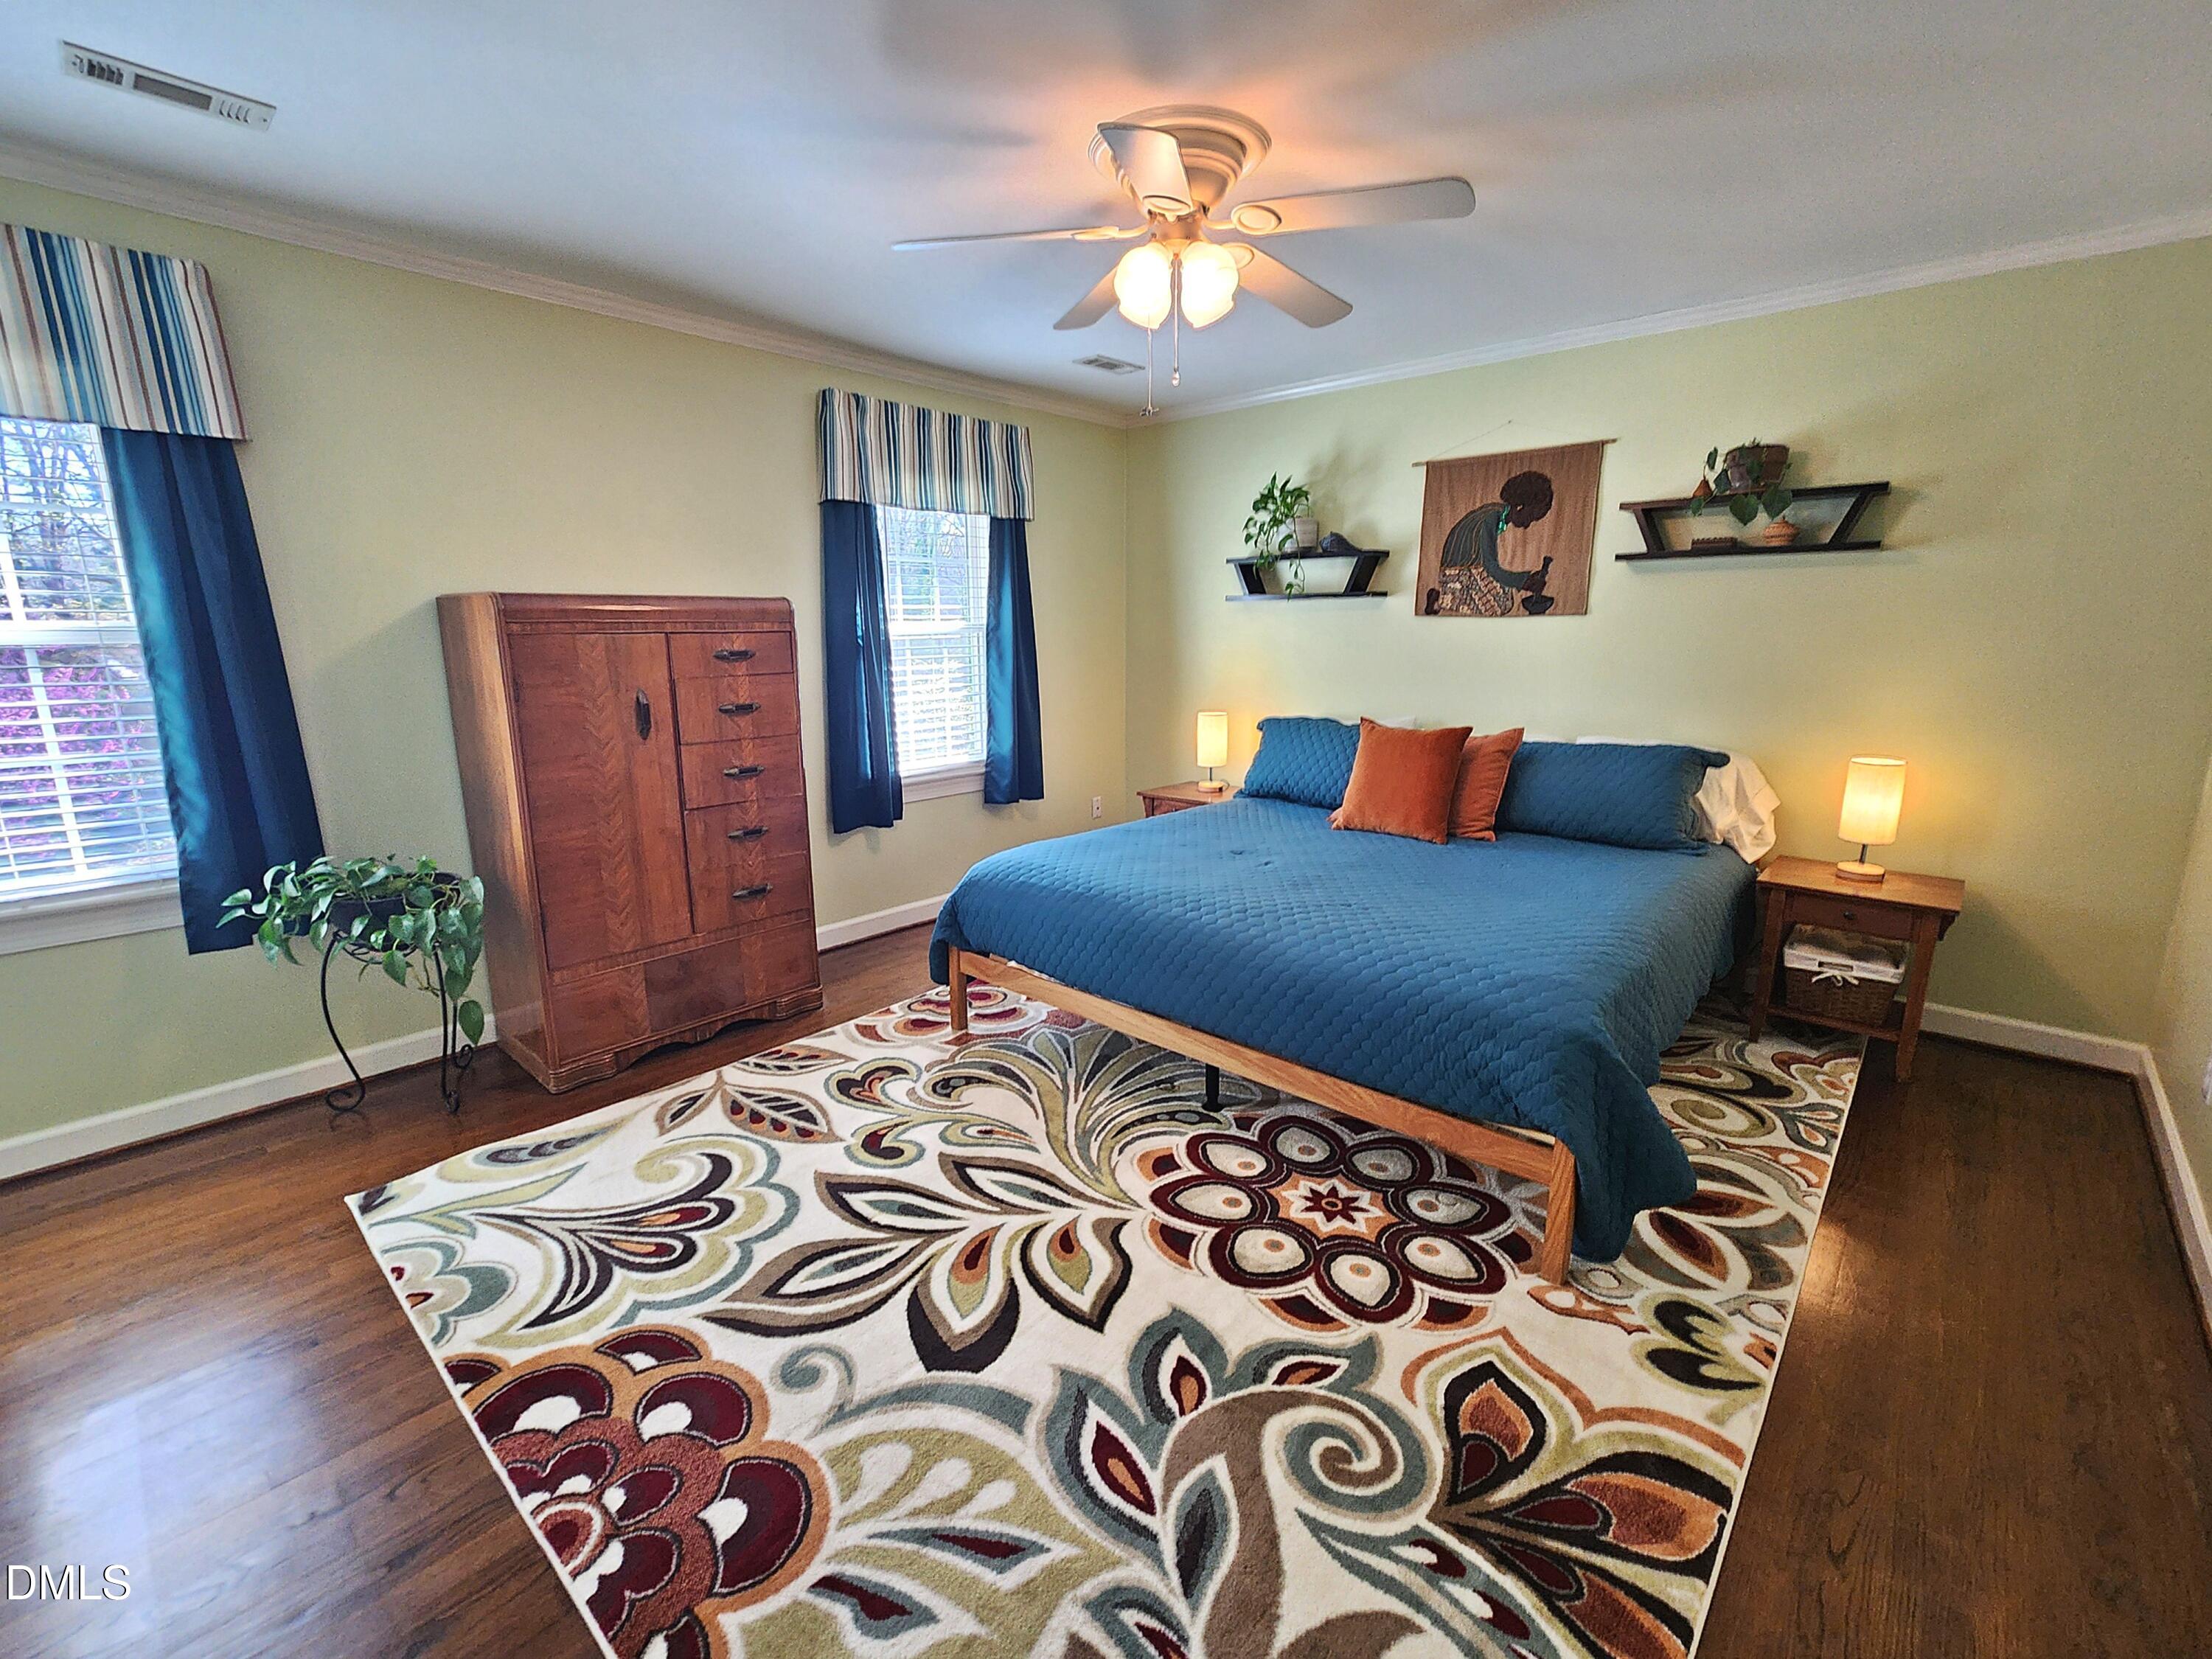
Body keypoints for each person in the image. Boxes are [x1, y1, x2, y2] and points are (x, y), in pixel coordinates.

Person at [1429, 470, 1557, 616]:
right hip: (1458, 573)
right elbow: (1490, 567)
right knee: (1502, 605)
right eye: (1530, 518)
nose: (1527, 525)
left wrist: (1523, 580)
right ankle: (1443, 600)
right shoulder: (1489, 519)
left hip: (1468, 568)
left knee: (1503, 591)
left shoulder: (1495, 511)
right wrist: (1524, 582)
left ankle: (1449, 595)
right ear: (1520, 507)